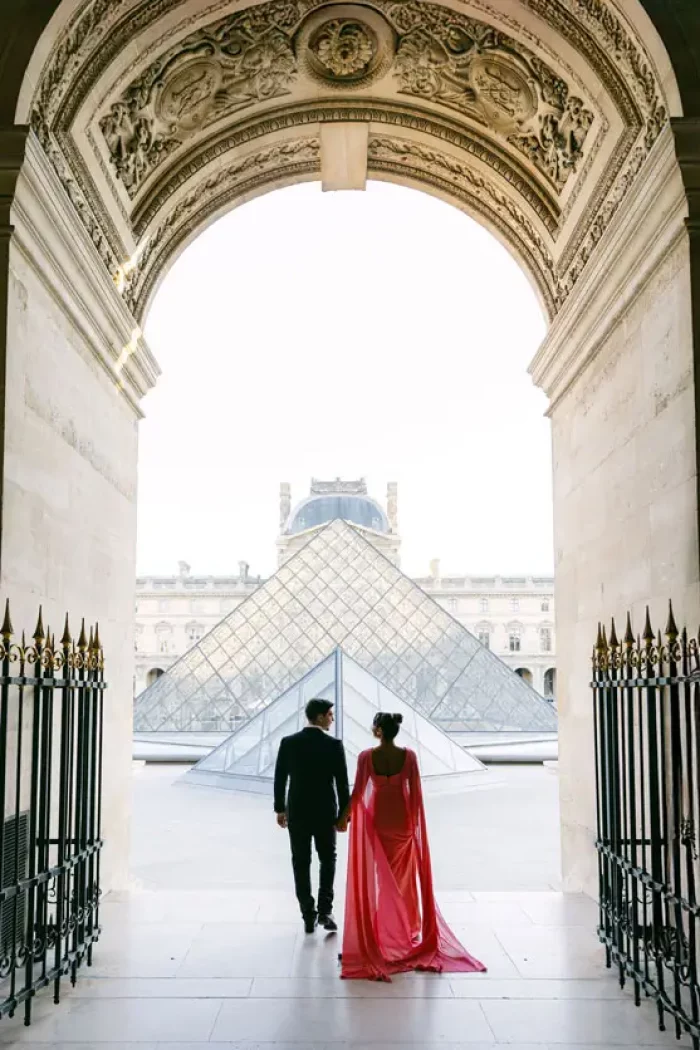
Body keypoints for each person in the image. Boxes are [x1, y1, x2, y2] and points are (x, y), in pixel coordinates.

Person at [339, 712, 486, 981]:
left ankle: (384, 928)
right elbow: (416, 795)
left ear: (378, 731)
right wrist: (415, 828)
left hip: (379, 822)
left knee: (382, 878)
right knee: (402, 879)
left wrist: (343, 817)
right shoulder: (409, 757)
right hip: (402, 822)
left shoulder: (365, 757)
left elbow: (358, 792)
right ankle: (405, 927)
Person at [274, 698, 350, 934]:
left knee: (300, 861)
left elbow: (280, 778)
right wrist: (343, 815)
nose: (332, 719)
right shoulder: (334, 745)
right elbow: (342, 784)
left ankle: (308, 913)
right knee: (328, 859)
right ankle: (325, 911)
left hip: (297, 810)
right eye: (330, 714)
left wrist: (280, 808)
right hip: (325, 811)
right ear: (319, 717)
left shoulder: (288, 743)